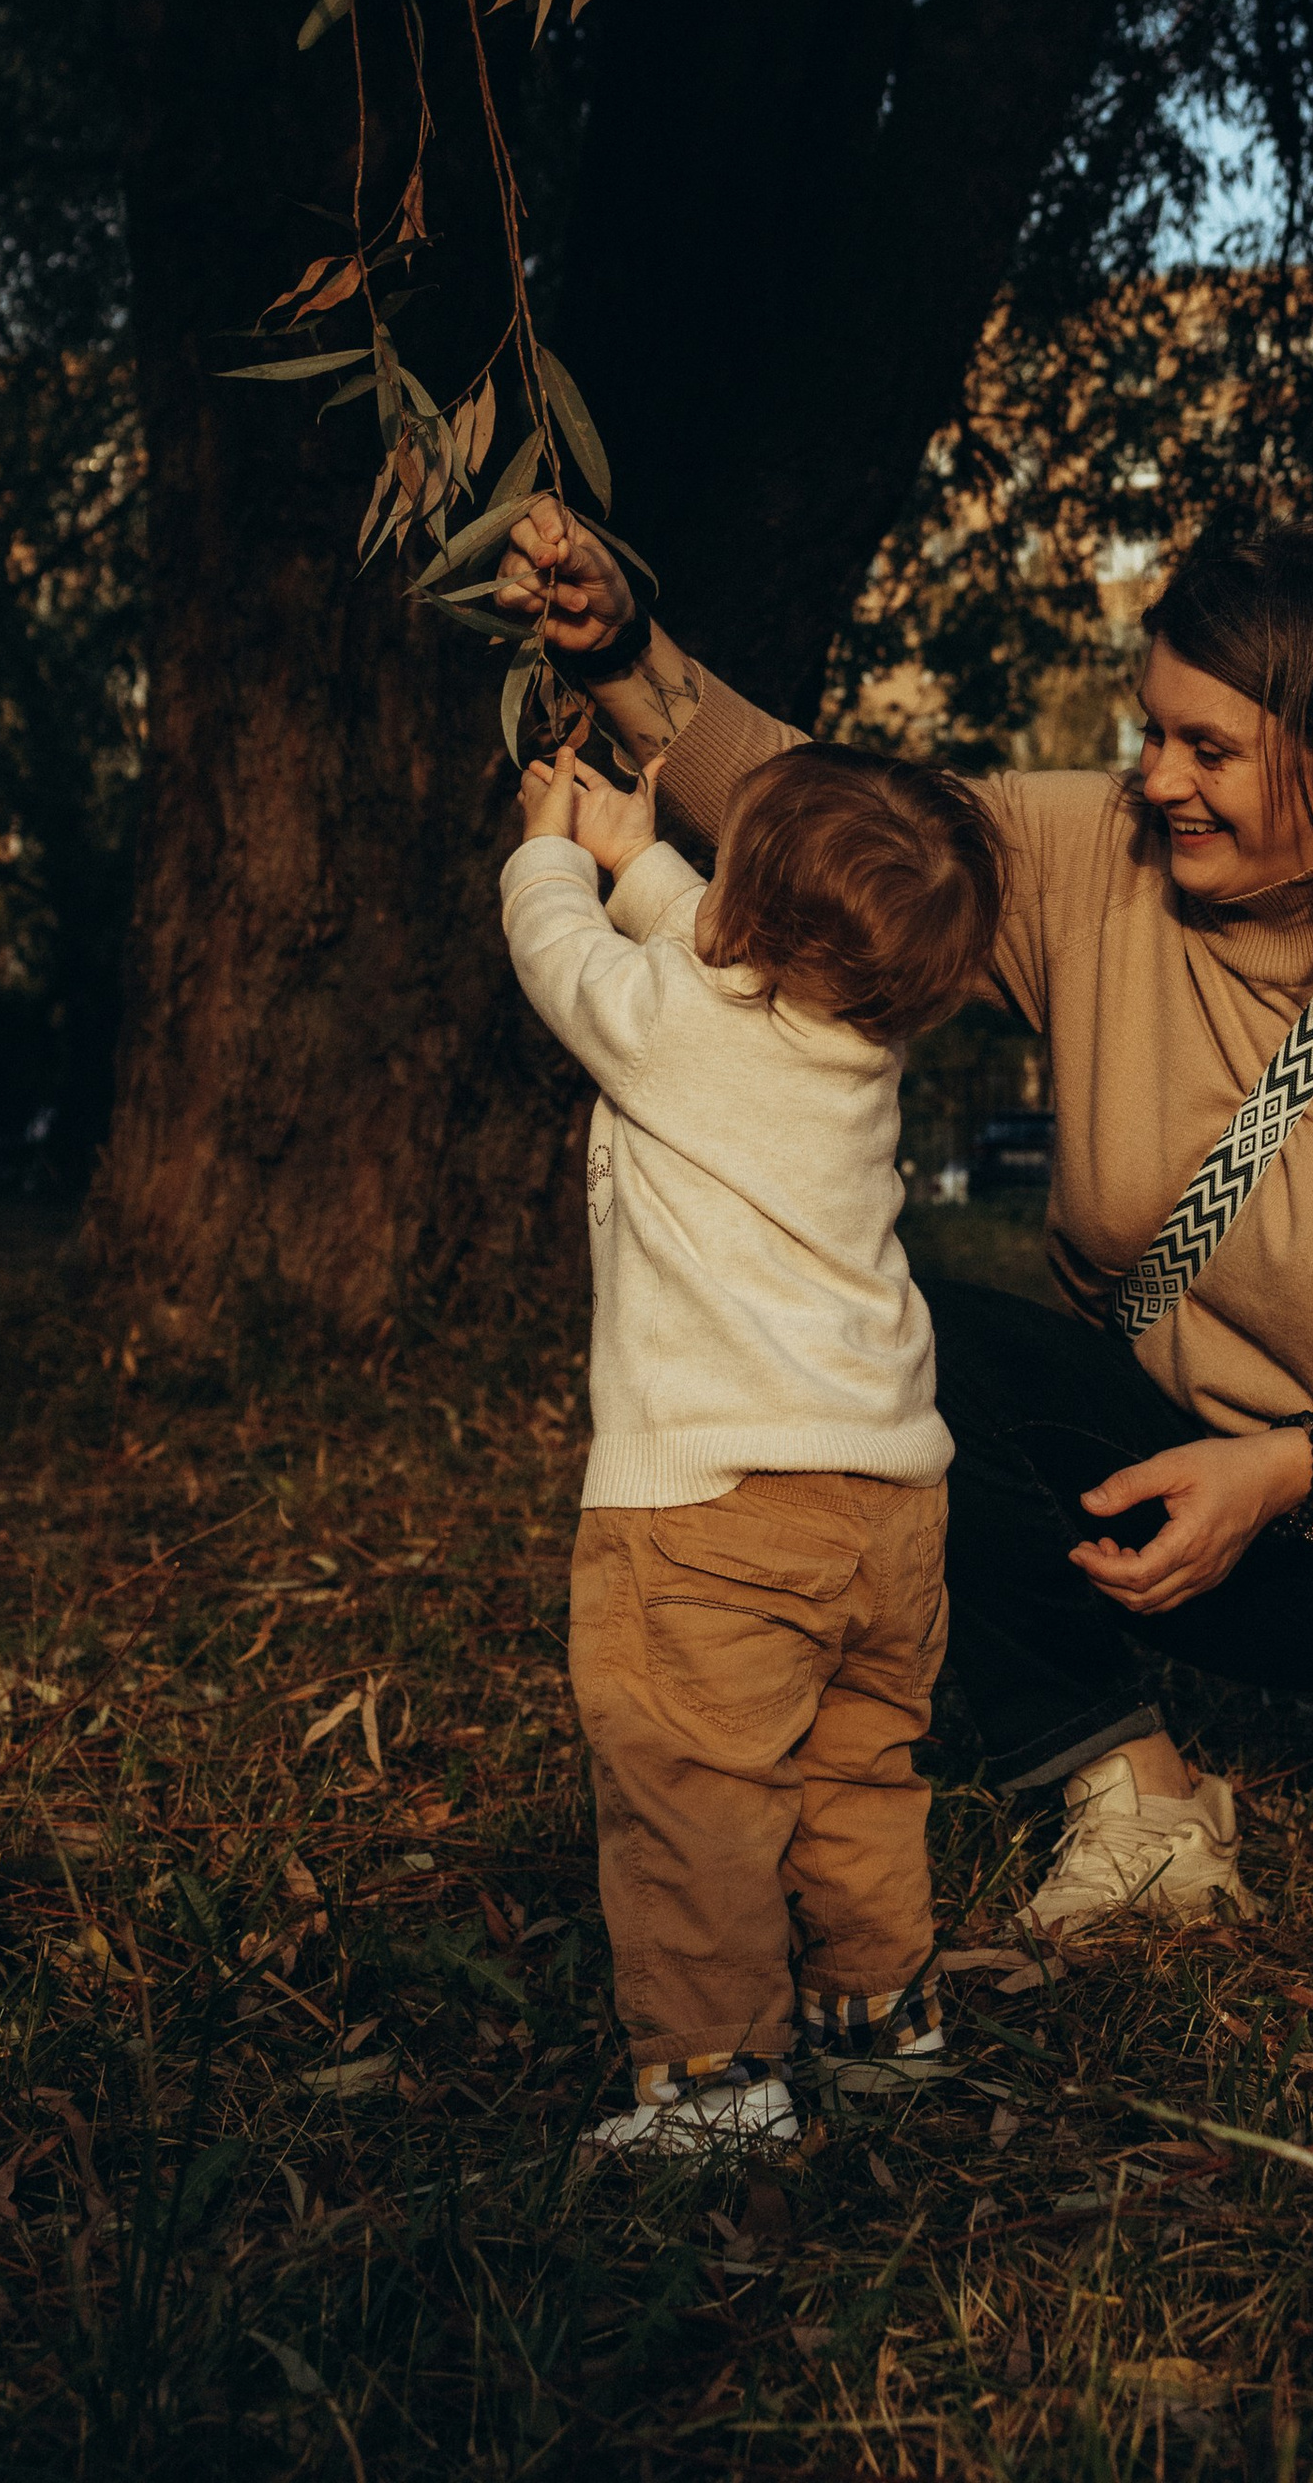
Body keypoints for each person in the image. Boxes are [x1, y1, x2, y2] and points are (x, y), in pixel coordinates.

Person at [496, 511, 1313, 1967]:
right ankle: (1129, 1792)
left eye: (1209, 750)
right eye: (1152, 733)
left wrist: (1285, 1468)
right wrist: (626, 652)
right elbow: (824, 820)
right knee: (890, 1349)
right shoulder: (1103, 854)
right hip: (1183, 1510)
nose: (1157, 780)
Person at [501, 730, 1002, 2156]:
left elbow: (565, 962)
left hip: (717, 1511)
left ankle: (718, 2085)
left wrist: (552, 848)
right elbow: (721, 954)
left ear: (753, 924)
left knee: (696, 1795)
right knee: (857, 1774)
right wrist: (643, 859)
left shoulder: (675, 1020)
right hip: (890, 1501)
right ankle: (878, 2019)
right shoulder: (865, 1041)